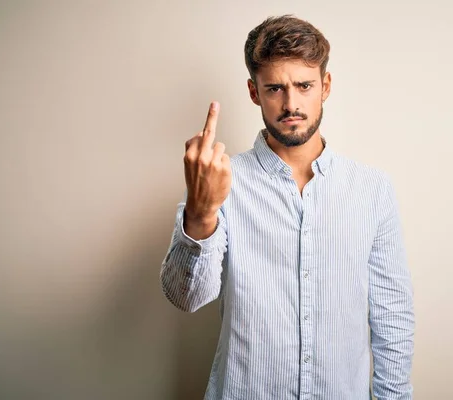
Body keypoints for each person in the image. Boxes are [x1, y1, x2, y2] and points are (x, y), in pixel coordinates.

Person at [160, 14, 414, 400]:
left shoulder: (372, 190)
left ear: (325, 86)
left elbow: (392, 317)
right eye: (275, 88)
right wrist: (201, 212)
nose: (291, 103)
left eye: (304, 85)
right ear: (253, 92)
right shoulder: (219, 182)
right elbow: (186, 297)